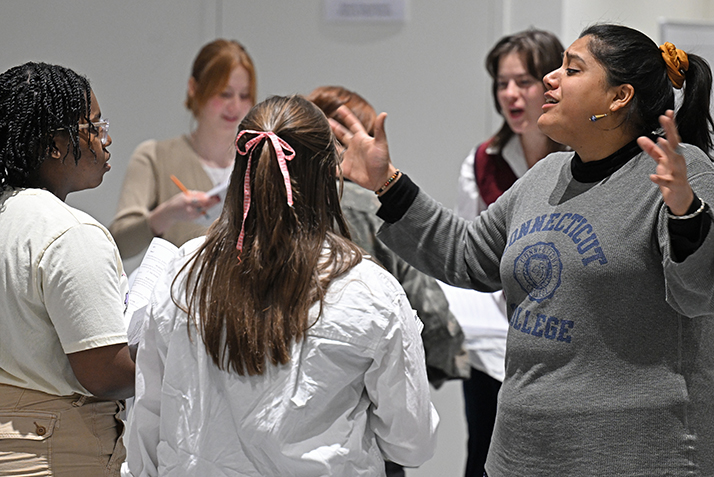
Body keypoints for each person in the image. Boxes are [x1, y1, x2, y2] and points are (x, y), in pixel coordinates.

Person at [333, 23, 714, 476]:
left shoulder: (679, 171)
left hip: (634, 455)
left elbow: (698, 294)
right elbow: (466, 253)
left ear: (618, 97)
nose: (551, 79)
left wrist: (686, 212)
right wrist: (386, 182)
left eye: (572, 69)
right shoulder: (547, 173)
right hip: (522, 452)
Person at [127, 95, 438, 476]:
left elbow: (148, 413)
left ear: (240, 169)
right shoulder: (370, 290)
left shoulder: (185, 270)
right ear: (330, 175)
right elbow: (411, 443)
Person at [307, 85, 470, 477]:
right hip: (367, 433)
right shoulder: (377, 213)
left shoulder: (266, 211)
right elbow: (428, 308)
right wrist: (447, 360)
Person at [0, 62, 135, 475]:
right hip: (55, 452)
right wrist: (177, 352)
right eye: (94, 126)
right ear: (56, 144)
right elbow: (105, 375)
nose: (106, 140)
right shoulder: (68, 232)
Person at [451, 29, 564, 477]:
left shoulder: (583, 159)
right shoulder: (483, 160)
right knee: (483, 454)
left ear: (552, 83)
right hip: (492, 345)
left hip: (559, 343)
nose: (511, 95)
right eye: (502, 83)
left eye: (525, 81)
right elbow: (467, 254)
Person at [109, 39, 256, 258]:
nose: (235, 106)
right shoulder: (155, 157)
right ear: (194, 89)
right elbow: (118, 243)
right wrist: (164, 216)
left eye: (244, 96)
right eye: (224, 94)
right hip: (177, 290)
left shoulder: (259, 162)